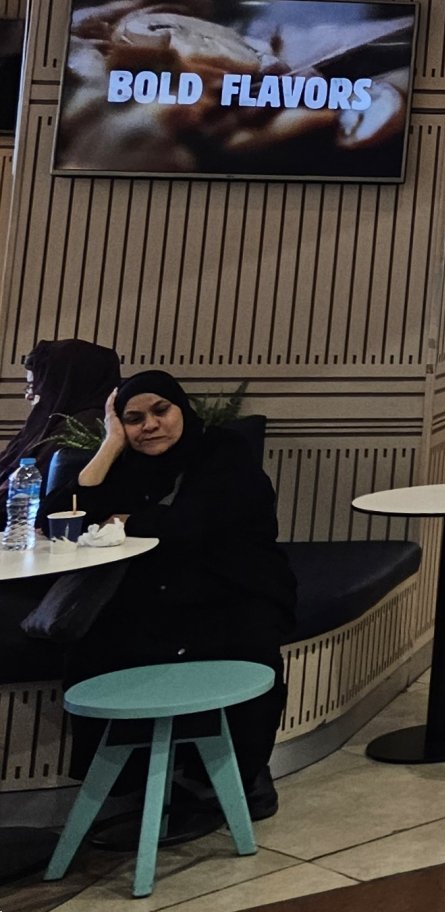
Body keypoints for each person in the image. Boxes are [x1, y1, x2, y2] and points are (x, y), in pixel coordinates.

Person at [50, 373, 297, 839]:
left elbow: (191, 524)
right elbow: (58, 517)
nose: (149, 426)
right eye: (133, 419)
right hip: (151, 592)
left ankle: (241, 773)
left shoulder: (223, 451)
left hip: (232, 587)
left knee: (242, 642)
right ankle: (139, 779)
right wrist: (109, 446)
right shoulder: (124, 462)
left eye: (160, 411)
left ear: (182, 408)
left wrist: (119, 520)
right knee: (98, 647)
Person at [0, 339, 122, 478]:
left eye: (35, 386)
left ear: (63, 385)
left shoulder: (81, 427)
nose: (29, 395)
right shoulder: (52, 423)